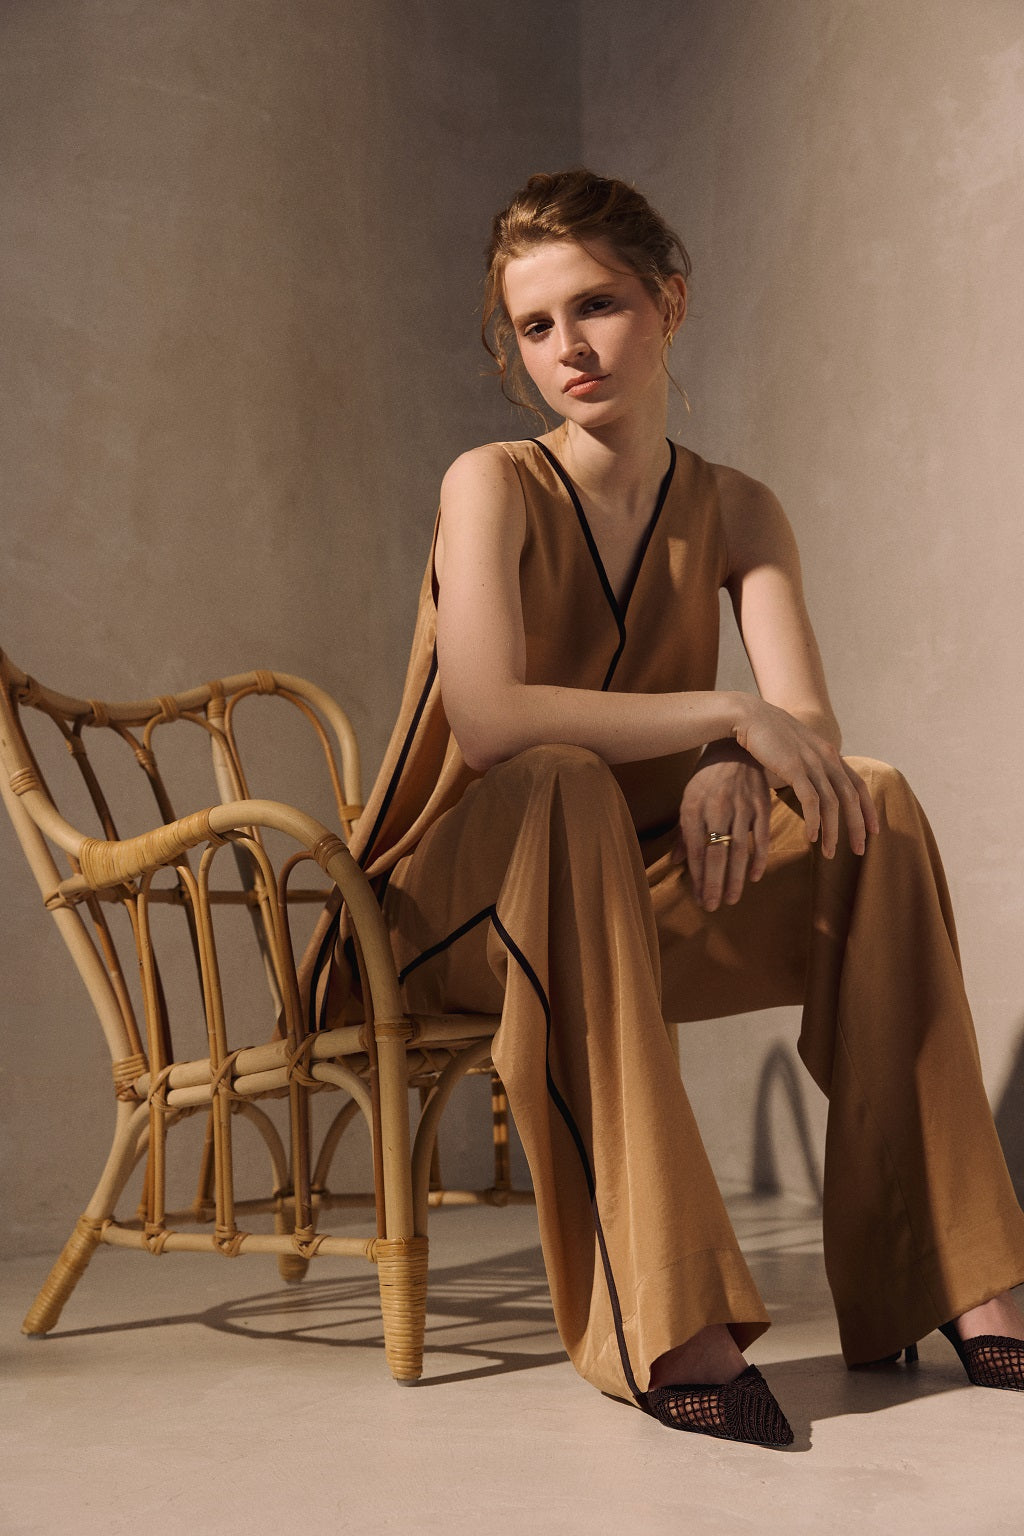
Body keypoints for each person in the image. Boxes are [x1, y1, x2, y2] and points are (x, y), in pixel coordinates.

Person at [320, 169, 1024, 1447]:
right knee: (562, 780)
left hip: (631, 885)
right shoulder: (489, 482)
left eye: (596, 305)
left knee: (874, 804)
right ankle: (667, 1315)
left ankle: (961, 1272)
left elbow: (805, 725)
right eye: (534, 326)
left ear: (669, 303)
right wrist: (720, 717)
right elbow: (486, 719)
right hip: (456, 908)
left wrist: (741, 760)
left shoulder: (738, 508)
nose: (568, 348)